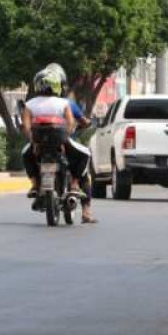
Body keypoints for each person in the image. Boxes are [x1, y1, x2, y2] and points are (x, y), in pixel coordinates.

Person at [22, 66, 97, 223]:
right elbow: (70, 123)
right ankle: (77, 189)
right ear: (59, 85)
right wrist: (65, 139)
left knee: (25, 154)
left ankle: (35, 185)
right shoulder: (65, 103)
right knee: (85, 156)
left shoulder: (29, 104)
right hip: (62, 143)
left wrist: (33, 141)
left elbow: (26, 127)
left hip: (39, 144)